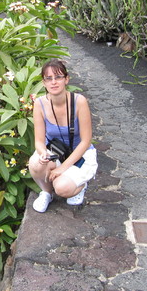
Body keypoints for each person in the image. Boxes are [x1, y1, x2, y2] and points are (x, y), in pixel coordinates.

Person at [28, 59, 98, 212]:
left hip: (81, 154)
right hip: (56, 151)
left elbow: (86, 141)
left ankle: (80, 184)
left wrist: (62, 168)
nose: (54, 82)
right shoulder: (40, 104)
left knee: (62, 188)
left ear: (66, 79)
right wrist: (43, 154)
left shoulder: (79, 102)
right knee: (35, 164)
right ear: (44, 82)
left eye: (58, 77)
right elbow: (39, 141)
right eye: (49, 78)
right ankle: (46, 192)